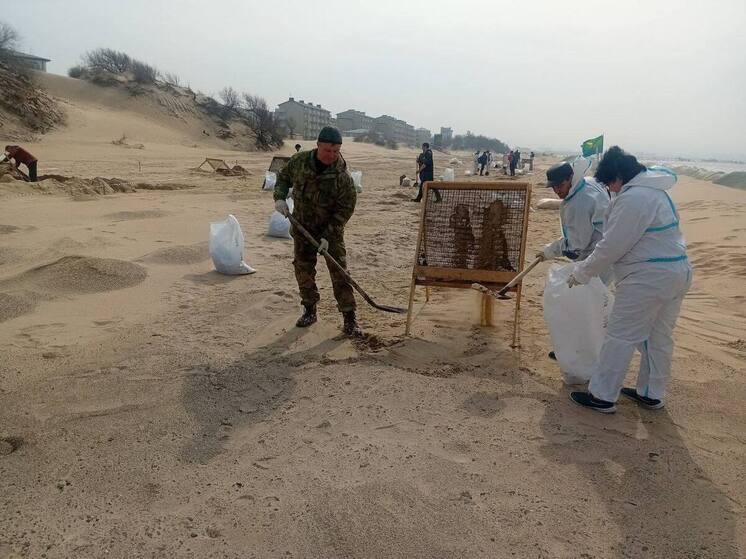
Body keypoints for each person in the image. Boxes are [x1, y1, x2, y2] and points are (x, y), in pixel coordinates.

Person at [567, 146, 691, 413]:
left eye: (611, 183)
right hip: (676, 273)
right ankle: (651, 393)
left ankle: (602, 395)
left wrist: (581, 272)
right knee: (657, 337)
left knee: (620, 335)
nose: (611, 189)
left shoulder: (635, 198)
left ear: (619, 176)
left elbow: (612, 246)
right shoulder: (657, 191)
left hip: (647, 279)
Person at [273, 126, 361, 336]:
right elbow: (283, 178)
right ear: (318, 146)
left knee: (340, 273)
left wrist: (329, 236)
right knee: (303, 269)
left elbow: (345, 210)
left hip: (330, 231)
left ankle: (350, 318)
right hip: (302, 227)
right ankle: (310, 310)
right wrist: (279, 197)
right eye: (327, 150)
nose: (332, 155)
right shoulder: (299, 162)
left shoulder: (343, 177)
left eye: (336, 151)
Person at [537, 157, 611, 362]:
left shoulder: (580, 202)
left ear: (570, 178)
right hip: (600, 253)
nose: (557, 192)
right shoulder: (585, 184)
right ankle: (574, 348)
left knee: (585, 305)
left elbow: (577, 243)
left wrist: (551, 250)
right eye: (553, 188)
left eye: (560, 185)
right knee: (585, 304)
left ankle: (583, 352)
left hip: (596, 258)